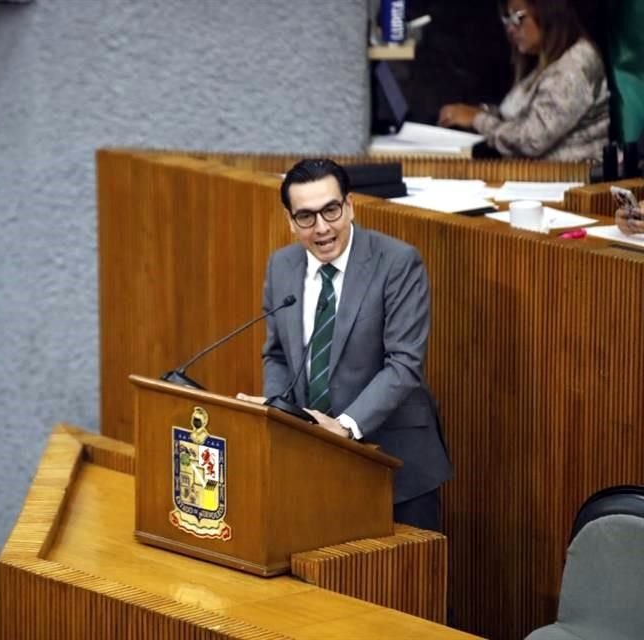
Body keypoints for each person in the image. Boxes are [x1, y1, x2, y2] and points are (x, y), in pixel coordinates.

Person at [242, 158, 452, 531]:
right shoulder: (282, 267)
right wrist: (280, 414)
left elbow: (403, 364)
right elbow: (276, 355)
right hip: (316, 464)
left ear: (350, 206)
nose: (322, 228)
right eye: (306, 217)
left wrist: (344, 427)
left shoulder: (397, 263)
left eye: (331, 210)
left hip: (396, 465)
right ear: (290, 222)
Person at [437, 0, 609, 162]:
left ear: (548, 10)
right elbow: (522, 116)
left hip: (569, 183)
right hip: (538, 178)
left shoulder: (575, 64)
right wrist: (483, 112)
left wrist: (477, 119)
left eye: (518, 17)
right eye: (507, 19)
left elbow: (532, 140)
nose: (510, 29)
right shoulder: (546, 61)